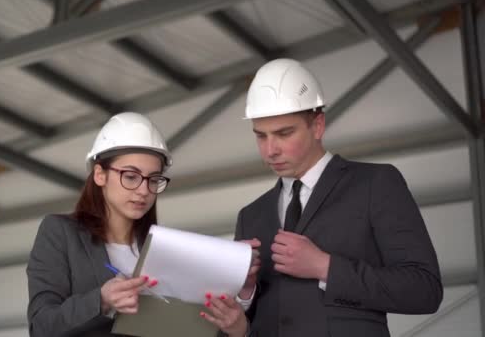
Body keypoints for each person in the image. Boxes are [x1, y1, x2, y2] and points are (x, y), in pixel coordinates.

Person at [234, 59, 443, 337]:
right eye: (261, 136)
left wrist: (325, 267)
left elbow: (424, 290)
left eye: (284, 133)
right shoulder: (250, 215)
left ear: (318, 125)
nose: (270, 150)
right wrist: (245, 292)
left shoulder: (375, 184)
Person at [26, 112, 248, 336]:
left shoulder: (166, 252)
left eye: (153, 179)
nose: (143, 190)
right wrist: (102, 300)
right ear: (100, 174)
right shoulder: (61, 233)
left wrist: (237, 324)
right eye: (131, 176)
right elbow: (41, 326)